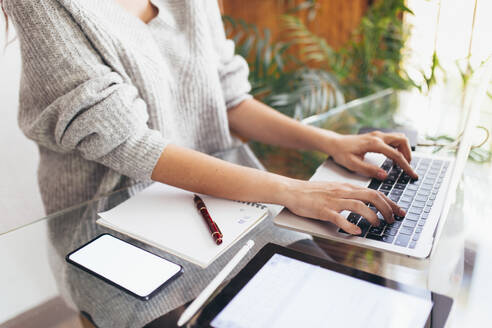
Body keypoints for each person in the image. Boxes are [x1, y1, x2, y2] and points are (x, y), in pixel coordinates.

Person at [2, 0, 417, 235]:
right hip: (113, 231)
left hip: (223, 208)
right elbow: (131, 144)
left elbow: (229, 99)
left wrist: (328, 141)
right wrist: (293, 191)